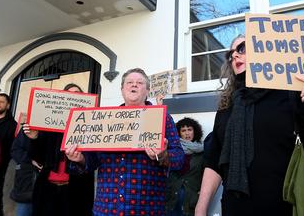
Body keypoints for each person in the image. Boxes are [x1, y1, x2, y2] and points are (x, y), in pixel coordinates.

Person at [194, 35, 304, 216]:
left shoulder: (291, 95)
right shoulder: (227, 106)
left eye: (242, 49)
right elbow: (214, 160)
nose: (235, 56)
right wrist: (201, 207)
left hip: (283, 207)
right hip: (234, 208)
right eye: (231, 54)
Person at [66, 68, 185, 215]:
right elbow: (93, 160)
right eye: (129, 82)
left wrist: (164, 156)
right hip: (106, 208)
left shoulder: (162, 117)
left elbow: (180, 158)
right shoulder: (105, 118)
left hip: (147, 209)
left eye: (139, 83)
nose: (134, 85)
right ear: (122, 90)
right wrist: (81, 159)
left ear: (147, 90)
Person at [22, 83, 95, 216]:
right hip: (48, 189)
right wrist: (34, 138)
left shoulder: (90, 126)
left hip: (75, 191)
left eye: (77, 94)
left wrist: (82, 159)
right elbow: (37, 157)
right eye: (69, 94)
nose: (73, 97)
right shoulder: (48, 125)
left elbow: (92, 161)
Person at [166, 117, 204, 216]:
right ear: (178, 133)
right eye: (183, 130)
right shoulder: (173, 151)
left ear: (195, 131)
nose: (187, 133)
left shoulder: (202, 152)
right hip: (171, 199)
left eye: (189, 130)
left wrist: (202, 193)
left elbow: (205, 175)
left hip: (191, 200)